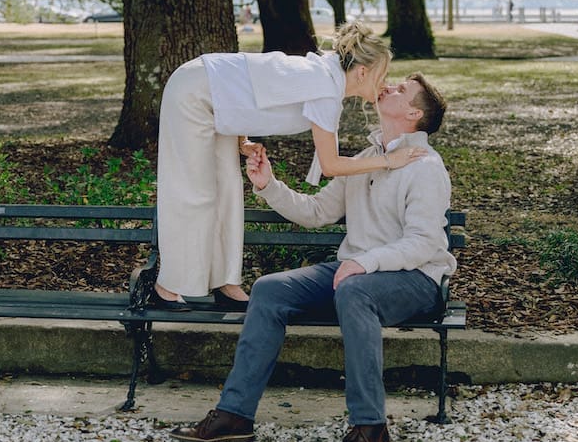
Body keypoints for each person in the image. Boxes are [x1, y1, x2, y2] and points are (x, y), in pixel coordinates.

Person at [170, 72, 457, 442]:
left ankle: (370, 428)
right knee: (271, 290)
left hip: (416, 278)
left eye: (402, 89)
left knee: (356, 292)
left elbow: (424, 243)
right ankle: (235, 415)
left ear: (413, 113)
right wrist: (268, 184)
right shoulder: (363, 159)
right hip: (355, 273)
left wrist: (363, 263)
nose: (388, 85)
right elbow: (318, 212)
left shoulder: (425, 167)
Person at [153, 22, 425, 311]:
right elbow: (330, 165)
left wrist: (242, 141)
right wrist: (387, 160)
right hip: (193, 93)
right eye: (382, 75)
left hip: (214, 99)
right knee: (197, 194)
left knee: (228, 192)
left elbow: (251, 88)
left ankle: (225, 283)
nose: (385, 83)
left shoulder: (327, 78)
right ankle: (166, 287)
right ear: (362, 72)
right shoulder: (325, 87)